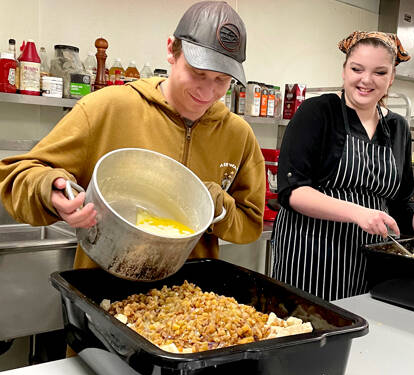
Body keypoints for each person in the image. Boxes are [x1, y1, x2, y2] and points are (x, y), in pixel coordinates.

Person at [0, 1, 265, 270]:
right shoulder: (106, 108)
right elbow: (17, 177)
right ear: (171, 50)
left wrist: (214, 207)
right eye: (198, 73)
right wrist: (49, 189)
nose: (208, 92)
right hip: (102, 293)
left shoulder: (238, 135)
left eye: (222, 80)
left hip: (189, 302)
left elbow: (250, 224)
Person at [272, 31, 414, 301]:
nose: (366, 80)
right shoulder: (317, 112)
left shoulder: (397, 128)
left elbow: (402, 205)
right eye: (357, 68)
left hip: (368, 259)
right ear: (344, 70)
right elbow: (293, 191)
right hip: (311, 254)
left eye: (379, 72)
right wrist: (358, 213)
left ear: (391, 77)